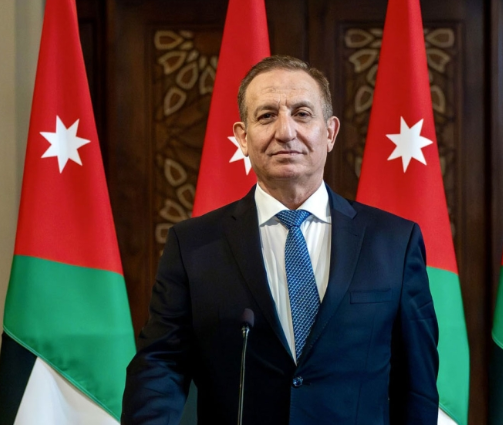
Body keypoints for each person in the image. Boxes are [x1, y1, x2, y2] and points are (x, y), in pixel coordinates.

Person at [122, 55, 439, 425]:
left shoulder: (394, 242)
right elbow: (160, 365)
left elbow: (416, 385)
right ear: (242, 137)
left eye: (302, 114)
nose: (286, 132)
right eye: (267, 115)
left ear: (330, 132)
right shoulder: (193, 245)